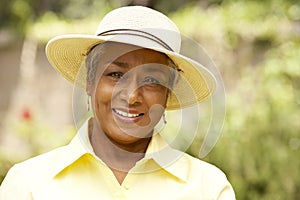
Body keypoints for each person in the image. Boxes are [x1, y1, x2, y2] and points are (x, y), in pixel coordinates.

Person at [0, 6, 235, 199]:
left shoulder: (208, 188)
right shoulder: (27, 186)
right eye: (115, 74)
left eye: (151, 80)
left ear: (167, 95)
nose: (132, 96)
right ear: (90, 81)